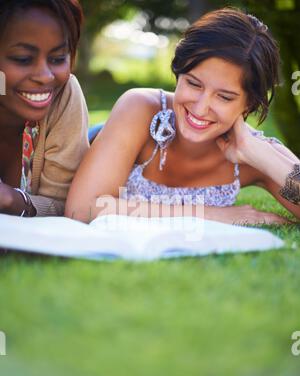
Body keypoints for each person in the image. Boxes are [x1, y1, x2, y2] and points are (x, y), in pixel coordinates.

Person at [65, 7, 300, 225]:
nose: (200, 108)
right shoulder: (140, 108)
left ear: (248, 104)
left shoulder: (251, 154)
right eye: (193, 84)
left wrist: (264, 155)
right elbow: (81, 208)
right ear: (178, 73)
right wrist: (212, 214)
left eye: (224, 97)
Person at [0, 0, 89, 217]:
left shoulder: (64, 94)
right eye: (23, 59)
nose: (45, 76)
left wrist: (10, 200)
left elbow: (67, 204)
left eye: (58, 58)